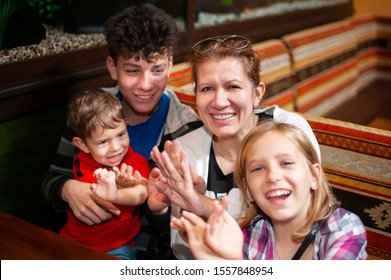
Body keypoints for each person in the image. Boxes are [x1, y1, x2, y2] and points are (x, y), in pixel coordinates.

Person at [41, 4, 201, 259]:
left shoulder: (187, 129)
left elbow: (181, 238)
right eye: (132, 70)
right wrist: (67, 190)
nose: (145, 84)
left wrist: (156, 206)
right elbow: (51, 181)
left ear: (170, 65)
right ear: (113, 67)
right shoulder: (90, 113)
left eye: (157, 69)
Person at [147, 35, 322, 259]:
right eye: (207, 89)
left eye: (232, 86)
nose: (219, 102)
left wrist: (201, 203)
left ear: (257, 93)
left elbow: (301, 227)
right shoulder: (184, 149)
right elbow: (183, 252)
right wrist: (168, 208)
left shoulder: (289, 131)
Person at [171, 121, 368, 260]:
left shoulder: (343, 229)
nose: (273, 176)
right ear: (248, 190)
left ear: (314, 176)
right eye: (258, 168)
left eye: (286, 163)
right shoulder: (251, 235)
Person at [60, 88, 149, 260]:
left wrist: (117, 193)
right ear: (83, 145)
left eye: (121, 134)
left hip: (116, 247)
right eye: (103, 142)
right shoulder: (81, 158)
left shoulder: (135, 164)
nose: (116, 147)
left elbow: (140, 193)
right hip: (71, 239)